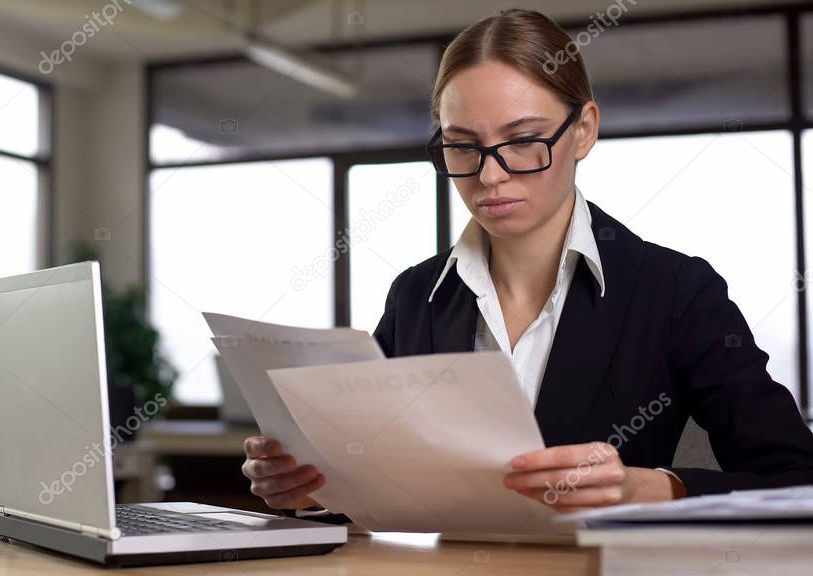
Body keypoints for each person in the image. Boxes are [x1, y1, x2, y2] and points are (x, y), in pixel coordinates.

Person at [241, 8, 813, 517]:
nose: (490, 175)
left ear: (583, 130)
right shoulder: (415, 296)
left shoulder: (676, 292)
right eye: (461, 145)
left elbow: (797, 480)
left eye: (523, 140)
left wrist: (649, 489)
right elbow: (383, 480)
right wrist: (314, 488)